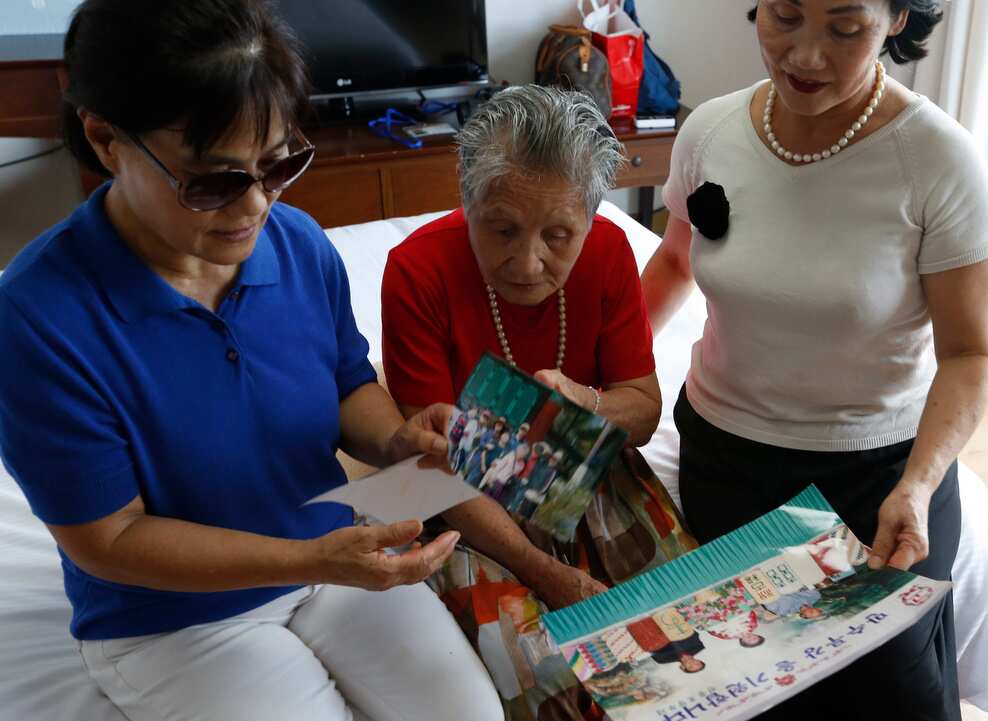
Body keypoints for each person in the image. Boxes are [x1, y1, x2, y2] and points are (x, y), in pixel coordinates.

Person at [0, 2, 502, 720]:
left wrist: (397, 439)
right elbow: (109, 539)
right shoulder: (41, 317)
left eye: (279, 163)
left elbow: (346, 381)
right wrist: (312, 558)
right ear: (106, 140)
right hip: (172, 619)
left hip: (331, 559)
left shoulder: (298, 245)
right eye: (212, 181)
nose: (256, 205)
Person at [640, 1, 988, 718]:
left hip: (877, 477)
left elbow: (970, 352)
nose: (806, 56)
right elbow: (677, 260)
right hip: (726, 462)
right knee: (744, 685)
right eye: (785, 15)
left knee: (886, 690)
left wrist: (921, 484)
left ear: (897, 17)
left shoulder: (937, 160)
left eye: (844, 28)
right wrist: (600, 372)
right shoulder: (710, 129)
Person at [380, 85, 667, 719]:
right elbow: (430, 471)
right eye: (502, 228)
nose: (528, 261)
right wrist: (544, 571)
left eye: (558, 234)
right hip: (466, 509)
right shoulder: (416, 271)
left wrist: (587, 402)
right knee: (553, 682)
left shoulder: (611, 251)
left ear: (591, 219)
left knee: (676, 639)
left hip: (586, 476)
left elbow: (643, 412)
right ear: (467, 201)